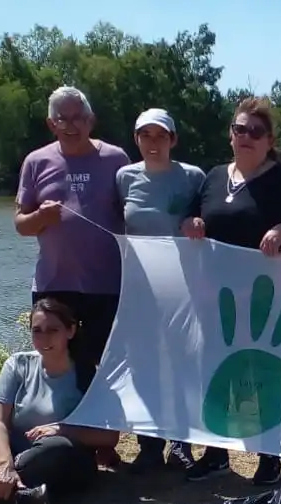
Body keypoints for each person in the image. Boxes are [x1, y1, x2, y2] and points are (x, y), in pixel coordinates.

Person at [180, 96, 281, 485]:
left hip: (265, 298)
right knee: (214, 372)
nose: (246, 137)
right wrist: (190, 223)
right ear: (230, 135)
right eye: (239, 129)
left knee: (262, 375)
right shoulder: (211, 178)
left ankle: (269, 458)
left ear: (269, 140)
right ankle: (215, 453)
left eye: (255, 132)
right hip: (215, 299)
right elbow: (192, 220)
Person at [13, 86, 128, 468]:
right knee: (65, 365)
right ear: (51, 123)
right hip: (53, 284)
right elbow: (21, 224)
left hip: (107, 283)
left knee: (102, 366)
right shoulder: (35, 162)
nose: (71, 124)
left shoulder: (116, 158)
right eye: (62, 118)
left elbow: (135, 213)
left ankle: (104, 439)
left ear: (91, 120)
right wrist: (40, 218)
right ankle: (64, 434)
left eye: (78, 116)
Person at [0, 298, 120, 504]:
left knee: (57, 445)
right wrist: (5, 463)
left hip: (62, 459)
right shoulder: (18, 364)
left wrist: (61, 429)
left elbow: (109, 437)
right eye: (37, 330)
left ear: (70, 331)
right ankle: (22, 495)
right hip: (14, 453)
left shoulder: (90, 375)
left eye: (53, 330)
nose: (44, 338)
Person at [116, 107, 205, 474]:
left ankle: (182, 444)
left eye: (161, 136)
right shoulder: (123, 177)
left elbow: (207, 216)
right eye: (145, 136)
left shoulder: (192, 177)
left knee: (183, 365)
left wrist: (197, 220)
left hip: (183, 289)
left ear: (173, 140)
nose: (153, 143)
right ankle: (149, 444)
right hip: (138, 289)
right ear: (136, 139)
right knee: (143, 366)